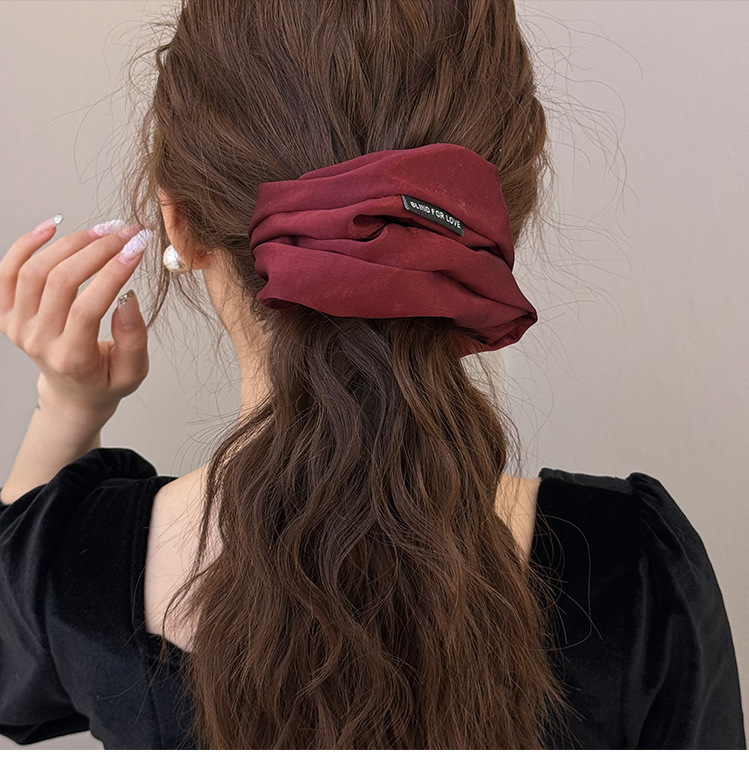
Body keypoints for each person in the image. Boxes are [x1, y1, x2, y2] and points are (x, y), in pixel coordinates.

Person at [0, 0, 744, 751]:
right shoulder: (638, 571)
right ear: (491, 223)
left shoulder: (83, 569)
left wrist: (67, 408)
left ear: (179, 223)